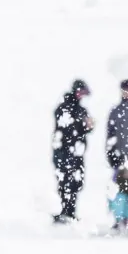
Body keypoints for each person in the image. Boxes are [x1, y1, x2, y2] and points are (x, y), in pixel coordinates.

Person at [52, 78, 93, 224]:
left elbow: (83, 129)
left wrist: (88, 126)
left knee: (75, 181)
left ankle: (70, 211)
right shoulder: (64, 108)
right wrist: (82, 125)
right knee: (66, 181)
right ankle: (65, 211)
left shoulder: (80, 110)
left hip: (76, 152)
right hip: (65, 151)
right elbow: (67, 128)